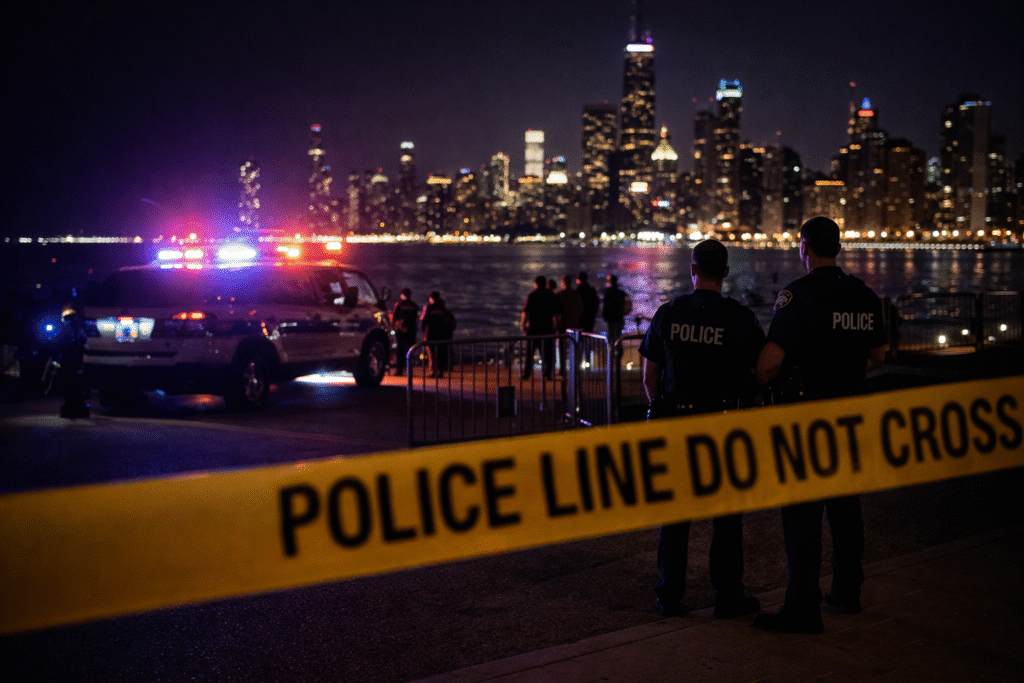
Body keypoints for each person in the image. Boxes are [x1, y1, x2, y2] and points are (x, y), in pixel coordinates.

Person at [752, 216, 886, 634]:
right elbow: (878, 356)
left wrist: (759, 376)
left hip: (807, 419)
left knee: (802, 515)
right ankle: (848, 591)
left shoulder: (800, 296)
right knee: (846, 508)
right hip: (849, 414)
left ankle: (803, 608)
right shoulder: (864, 296)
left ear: (804, 248)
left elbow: (770, 364)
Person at [638, 239, 766, 619]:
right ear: (725, 273)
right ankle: (727, 597)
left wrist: (658, 406)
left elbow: (650, 375)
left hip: (678, 421)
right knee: (727, 517)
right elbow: (760, 370)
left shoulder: (669, 312)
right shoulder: (740, 318)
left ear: (692, 270)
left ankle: (669, 596)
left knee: (675, 517)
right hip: (724, 425)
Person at [520, 275, 560, 379]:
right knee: (548, 353)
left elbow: (526, 312)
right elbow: (556, 313)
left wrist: (523, 324)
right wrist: (556, 326)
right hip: (547, 328)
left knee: (530, 353)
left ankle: (527, 373)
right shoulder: (551, 295)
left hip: (534, 328)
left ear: (536, 284)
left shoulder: (532, 295)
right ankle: (548, 374)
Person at [420, 291, 456, 378]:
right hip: (442, 334)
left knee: (431, 353)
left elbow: (424, 321)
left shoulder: (428, 307)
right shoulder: (443, 308)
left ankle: (433, 371)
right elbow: (452, 321)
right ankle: (441, 371)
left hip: (431, 333)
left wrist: (424, 332)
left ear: (431, 298)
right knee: (442, 352)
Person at [554, 274, 583, 376]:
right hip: (574, 323)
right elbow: (580, 309)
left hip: (562, 324)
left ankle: (562, 369)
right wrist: (574, 316)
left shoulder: (559, 295)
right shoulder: (576, 295)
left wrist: (556, 322)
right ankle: (574, 368)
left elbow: (555, 311)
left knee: (562, 348)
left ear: (563, 282)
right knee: (573, 347)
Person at [390, 287, 419, 375]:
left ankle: (399, 370)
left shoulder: (398, 304)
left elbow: (394, 317)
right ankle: (409, 370)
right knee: (410, 350)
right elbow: (416, 317)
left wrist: (393, 327)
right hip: (411, 330)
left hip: (401, 329)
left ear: (402, 295)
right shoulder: (414, 305)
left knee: (400, 350)